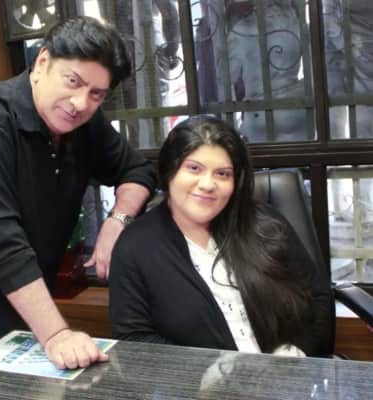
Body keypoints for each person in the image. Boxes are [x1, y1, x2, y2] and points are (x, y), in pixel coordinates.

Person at [0, 16, 156, 368]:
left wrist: (117, 220)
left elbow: (137, 170)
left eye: (96, 94)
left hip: (27, 275)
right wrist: (56, 334)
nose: (79, 103)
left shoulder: (83, 121)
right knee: (18, 379)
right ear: (43, 62)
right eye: (73, 81)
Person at [109, 115, 332, 357]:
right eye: (194, 168)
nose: (207, 184)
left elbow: (318, 297)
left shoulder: (265, 222)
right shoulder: (135, 246)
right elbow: (134, 338)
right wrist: (211, 371)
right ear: (170, 170)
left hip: (288, 371)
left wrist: (296, 351)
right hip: (199, 379)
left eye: (223, 174)